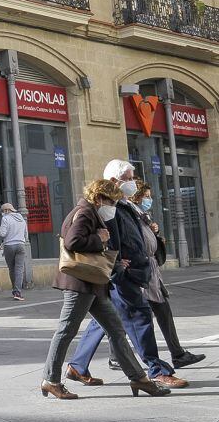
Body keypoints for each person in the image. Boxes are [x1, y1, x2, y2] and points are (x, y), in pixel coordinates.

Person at [40, 179, 169, 399]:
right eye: (111, 201)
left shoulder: (91, 212)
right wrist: (99, 239)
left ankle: (139, 378)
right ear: (99, 198)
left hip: (92, 284)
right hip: (80, 283)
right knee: (66, 330)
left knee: (116, 329)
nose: (113, 206)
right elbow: (72, 242)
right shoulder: (85, 213)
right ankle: (51, 380)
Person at [67, 160, 188, 389]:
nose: (134, 182)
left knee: (105, 321)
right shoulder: (111, 208)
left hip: (130, 270)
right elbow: (108, 238)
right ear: (115, 181)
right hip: (124, 273)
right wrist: (119, 267)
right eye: (130, 178)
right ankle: (156, 370)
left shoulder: (125, 205)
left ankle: (77, 365)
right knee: (139, 316)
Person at [131, 182, 205, 369]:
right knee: (121, 317)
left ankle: (178, 354)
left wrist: (154, 233)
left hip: (151, 272)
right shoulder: (131, 215)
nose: (150, 199)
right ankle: (114, 356)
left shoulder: (142, 215)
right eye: (147, 196)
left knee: (162, 310)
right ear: (137, 196)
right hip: (141, 273)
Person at [0, 203, 28, 301]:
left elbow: (2, 233)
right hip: (21, 245)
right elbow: (26, 234)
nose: (3, 213)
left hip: (9, 246)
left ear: (7, 210)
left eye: (3, 211)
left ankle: (14, 290)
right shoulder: (22, 219)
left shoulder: (5, 219)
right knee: (19, 269)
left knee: (12, 269)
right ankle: (18, 292)